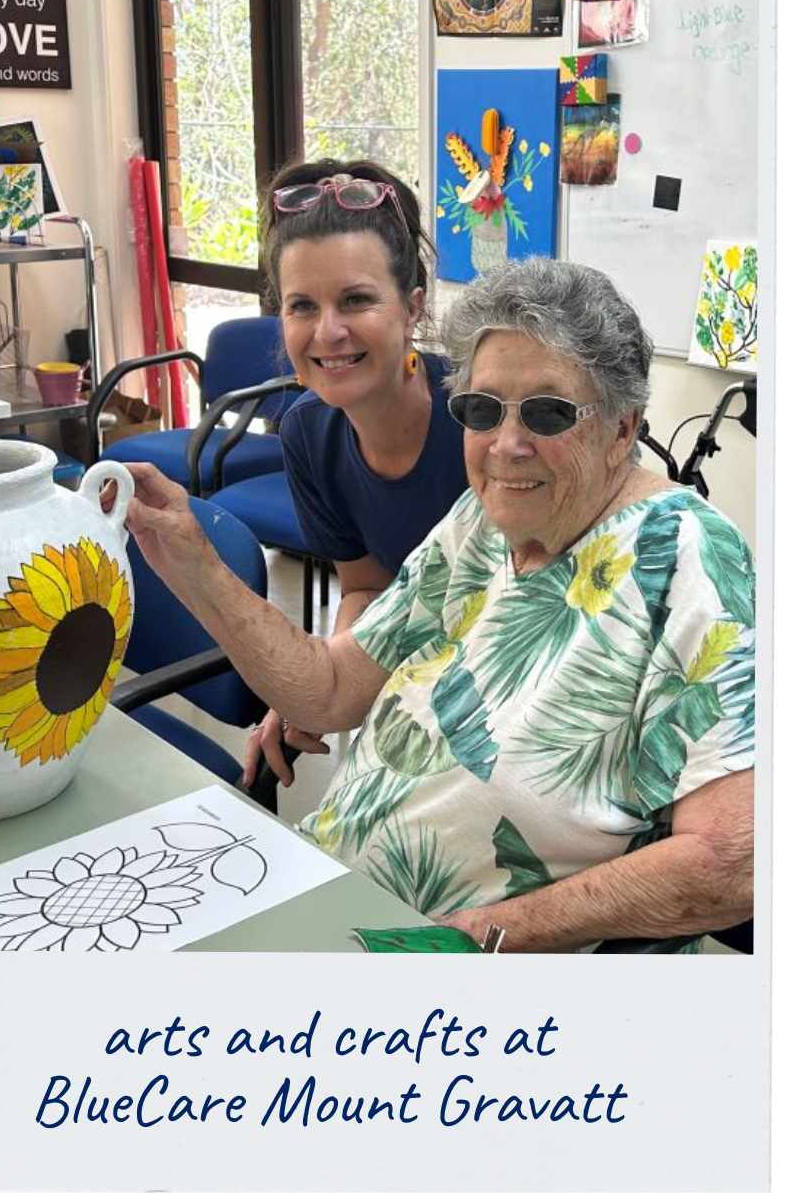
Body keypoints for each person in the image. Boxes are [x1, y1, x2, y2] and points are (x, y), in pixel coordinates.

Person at [122, 259, 754, 952]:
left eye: (548, 412)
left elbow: (731, 863)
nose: (507, 446)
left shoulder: (688, 558)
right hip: (331, 901)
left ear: (623, 429)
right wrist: (191, 561)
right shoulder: (482, 523)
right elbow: (330, 692)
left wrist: (479, 939)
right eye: (481, 410)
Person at [244, 159, 468, 787]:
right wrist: (317, 684)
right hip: (412, 669)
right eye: (301, 307)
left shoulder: (482, 417)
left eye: (357, 300)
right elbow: (367, 589)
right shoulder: (308, 434)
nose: (328, 332)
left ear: (413, 307)